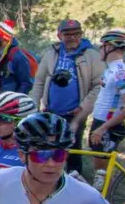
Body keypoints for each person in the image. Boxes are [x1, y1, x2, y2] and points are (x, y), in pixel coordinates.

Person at [29, 19, 103, 175]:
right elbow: (39, 81)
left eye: (77, 34)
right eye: (67, 34)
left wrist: (83, 109)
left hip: (74, 113)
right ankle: (48, 181)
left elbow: (98, 85)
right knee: (46, 150)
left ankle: (74, 185)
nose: (72, 38)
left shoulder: (91, 55)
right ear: (59, 35)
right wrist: (32, 107)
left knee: (72, 151)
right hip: (50, 111)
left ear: (82, 34)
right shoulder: (51, 53)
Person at [86, 29, 125, 190]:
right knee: (99, 173)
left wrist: (103, 128)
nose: (100, 50)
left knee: (101, 176)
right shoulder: (110, 69)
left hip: (107, 125)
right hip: (100, 122)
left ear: (110, 46)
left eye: (102, 46)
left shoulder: (121, 72)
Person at [0, 19, 34, 111]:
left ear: (3, 38)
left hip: (5, 109)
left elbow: (26, 84)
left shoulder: (17, 57)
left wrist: (13, 105)